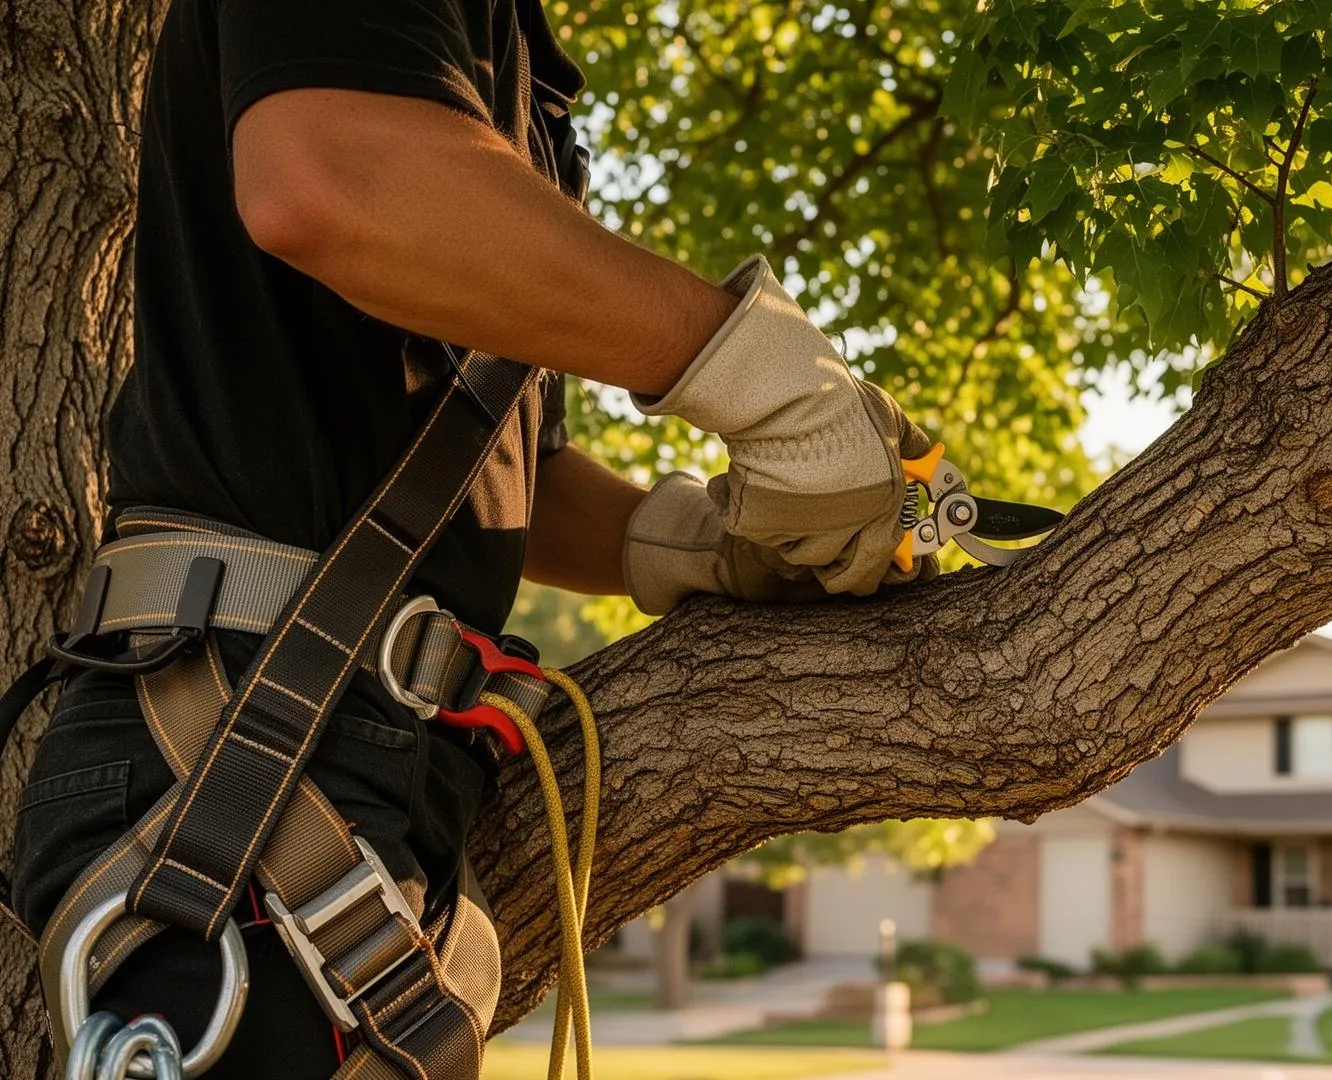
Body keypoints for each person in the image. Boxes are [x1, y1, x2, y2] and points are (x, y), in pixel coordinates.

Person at [9, 0, 934, 1076]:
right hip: (240, 741)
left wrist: (689, 540)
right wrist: (754, 370)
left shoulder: (519, 92)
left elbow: (501, 480)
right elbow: (326, 179)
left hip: (333, 754)